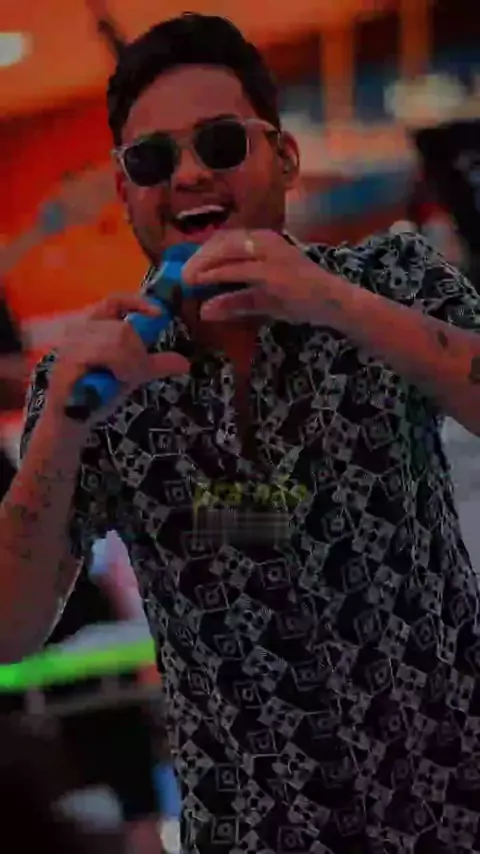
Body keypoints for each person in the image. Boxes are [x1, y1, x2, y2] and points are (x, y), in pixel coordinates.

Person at [2, 12, 480, 852]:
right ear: (124, 190)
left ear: (283, 157)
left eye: (221, 143)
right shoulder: (98, 372)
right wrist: (59, 433)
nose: (189, 173)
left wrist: (331, 301)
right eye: (152, 159)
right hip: (252, 833)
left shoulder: (388, 280)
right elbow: (9, 628)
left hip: (456, 803)